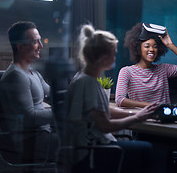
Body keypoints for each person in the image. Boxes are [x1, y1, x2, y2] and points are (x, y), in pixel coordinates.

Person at [67, 24, 161, 173]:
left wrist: (137, 114)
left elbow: (103, 111)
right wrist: (136, 118)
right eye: (114, 54)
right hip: (92, 152)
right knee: (149, 149)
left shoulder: (85, 78)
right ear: (104, 58)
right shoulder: (88, 83)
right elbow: (105, 126)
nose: (115, 58)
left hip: (91, 148)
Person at [0, 21, 57, 163]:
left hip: (43, 135)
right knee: (83, 142)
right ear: (20, 47)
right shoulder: (16, 76)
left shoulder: (32, 72)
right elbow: (29, 117)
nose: (41, 46)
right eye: (36, 42)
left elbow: (53, 93)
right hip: (31, 142)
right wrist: (61, 112)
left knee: (86, 135)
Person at [115, 23, 177, 108]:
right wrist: (151, 106)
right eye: (147, 46)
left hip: (165, 118)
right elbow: (120, 100)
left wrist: (171, 46)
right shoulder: (127, 72)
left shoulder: (163, 69)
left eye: (155, 47)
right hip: (142, 118)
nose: (151, 50)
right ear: (138, 48)